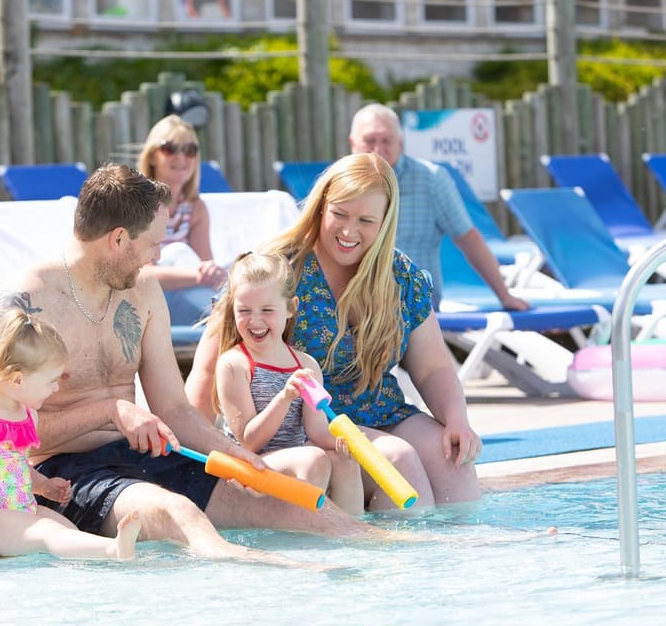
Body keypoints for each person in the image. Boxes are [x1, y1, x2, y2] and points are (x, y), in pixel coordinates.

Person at [0, 163, 379, 562]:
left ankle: (392, 551)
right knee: (177, 511)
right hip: (64, 473)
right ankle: (259, 567)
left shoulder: (142, 291)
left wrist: (238, 459)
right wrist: (109, 410)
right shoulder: (26, 303)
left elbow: (173, 408)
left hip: (144, 456)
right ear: (119, 239)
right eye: (154, 244)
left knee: (296, 507)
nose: (158, 256)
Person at [186, 153, 482, 510]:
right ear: (321, 206)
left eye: (366, 220)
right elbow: (208, 366)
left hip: (380, 411)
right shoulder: (277, 268)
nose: (348, 231)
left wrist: (457, 420)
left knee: (455, 464)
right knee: (399, 461)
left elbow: (433, 367)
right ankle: (394, 547)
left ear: (386, 221)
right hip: (306, 426)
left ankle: (457, 545)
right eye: (340, 214)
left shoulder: (401, 277)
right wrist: (192, 462)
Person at [0, 308, 142, 560]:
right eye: (50, 381)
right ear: (17, 380)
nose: (55, 388)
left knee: (66, 528)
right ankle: (114, 550)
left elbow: (15, 465)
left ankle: (101, 560)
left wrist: (43, 485)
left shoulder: (26, 415)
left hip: (22, 510)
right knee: (47, 533)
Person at [212, 251, 364, 515]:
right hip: (248, 466)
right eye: (244, 310)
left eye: (267, 310)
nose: (255, 321)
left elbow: (317, 431)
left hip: (290, 460)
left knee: (345, 463)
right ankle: (305, 531)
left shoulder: (306, 365)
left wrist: (349, 443)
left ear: (291, 308)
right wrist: (284, 398)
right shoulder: (234, 364)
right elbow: (248, 442)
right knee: (313, 459)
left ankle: (353, 533)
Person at [348, 103, 528, 312]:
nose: (378, 149)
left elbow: (468, 239)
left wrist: (504, 296)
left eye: (386, 140)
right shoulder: (339, 184)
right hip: (352, 303)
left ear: (400, 142)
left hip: (414, 305)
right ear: (353, 143)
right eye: (370, 140)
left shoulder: (431, 180)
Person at [137, 114, 227, 324]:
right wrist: (197, 275)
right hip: (144, 303)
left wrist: (210, 273)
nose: (181, 157)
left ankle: (225, 316)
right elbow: (139, 276)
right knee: (178, 252)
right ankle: (225, 320)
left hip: (181, 304)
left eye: (189, 150)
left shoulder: (195, 208)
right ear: (152, 157)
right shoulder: (140, 204)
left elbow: (205, 269)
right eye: (170, 149)